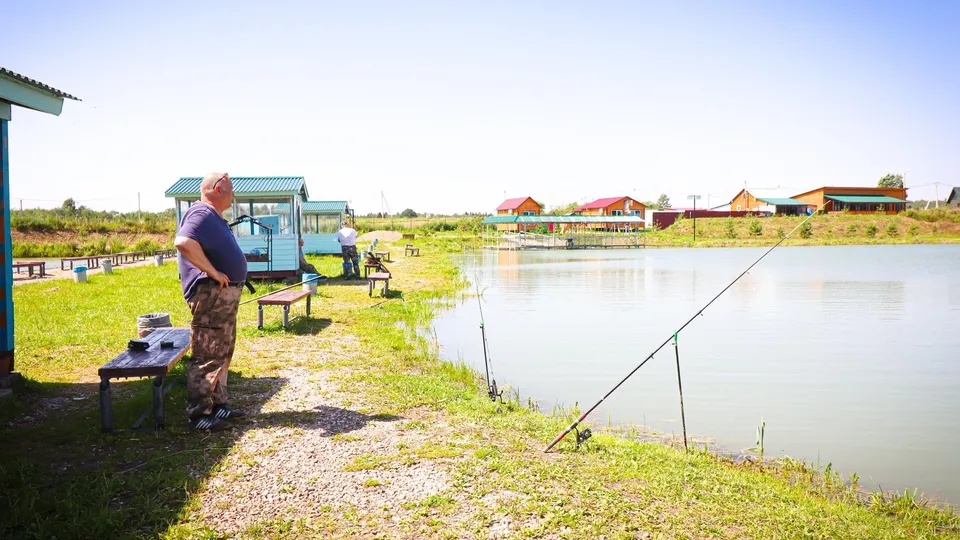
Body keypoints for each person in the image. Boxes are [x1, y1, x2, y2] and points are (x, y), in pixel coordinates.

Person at [174, 172, 248, 431]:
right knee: (208, 353)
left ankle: (218, 406)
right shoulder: (202, 213)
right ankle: (200, 415)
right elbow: (183, 242)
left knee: (223, 351)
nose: (233, 195)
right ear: (218, 188)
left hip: (222, 297)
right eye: (230, 189)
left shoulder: (213, 217)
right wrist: (213, 272)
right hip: (211, 294)